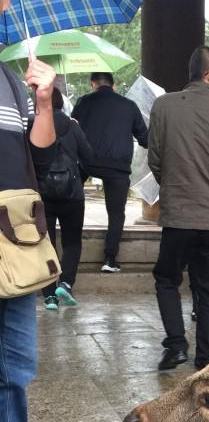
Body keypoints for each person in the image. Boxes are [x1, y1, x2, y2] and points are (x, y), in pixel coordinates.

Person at [148, 46, 209, 371]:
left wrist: (177, 187)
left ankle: (176, 344)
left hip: (178, 216)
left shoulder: (163, 107)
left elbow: (156, 161)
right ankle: (206, 360)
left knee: (166, 278)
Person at [0, 0, 58, 422]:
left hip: (13, 240)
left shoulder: (12, 82)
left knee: (16, 355)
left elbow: (37, 154)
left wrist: (43, 102)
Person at [72, 71, 148, 273]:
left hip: (86, 161)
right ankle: (109, 258)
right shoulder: (129, 106)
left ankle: (70, 248)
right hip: (118, 166)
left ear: (92, 84)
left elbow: (72, 129)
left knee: (71, 201)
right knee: (116, 214)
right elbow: (145, 139)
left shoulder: (83, 102)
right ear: (113, 86)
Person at [40, 87, 93, 310]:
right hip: (73, 195)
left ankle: (50, 295)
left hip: (42, 194)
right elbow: (89, 156)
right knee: (72, 242)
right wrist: (78, 179)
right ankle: (67, 284)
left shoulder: (35, 125)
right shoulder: (72, 125)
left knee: (46, 244)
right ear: (61, 102)